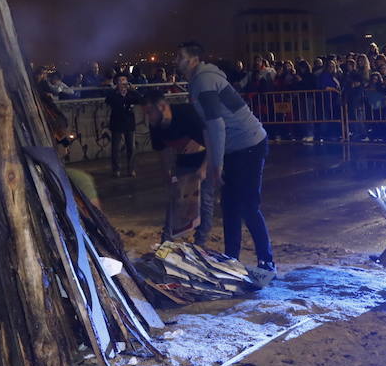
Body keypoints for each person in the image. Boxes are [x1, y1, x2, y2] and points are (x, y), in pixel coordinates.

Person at [175, 40, 275, 282]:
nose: (175, 61)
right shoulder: (198, 81)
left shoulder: (203, 81)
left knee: (248, 205)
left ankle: (267, 261)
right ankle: (232, 258)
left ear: (193, 60)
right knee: (230, 205)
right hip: (236, 148)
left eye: (180, 57)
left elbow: (217, 125)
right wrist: (212, 161)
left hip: (249, 145)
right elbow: (210, 129)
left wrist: (216, 165)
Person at [141, 87, 213, 246]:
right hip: (184, 161)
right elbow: (163, 151)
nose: (148, 117)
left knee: (204, 200)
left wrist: (203, 168)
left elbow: (212, 141)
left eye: (149, 112)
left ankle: (200, 242)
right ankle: (167, 241)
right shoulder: (156, 126)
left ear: (161, 107)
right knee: (176, 199)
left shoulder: (187, 114)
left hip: (205, 158)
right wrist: (167, 173)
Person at [103, 73, 142, 177]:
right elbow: (109, 101)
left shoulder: (131, 93)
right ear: (117, 82)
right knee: (115, 148)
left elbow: (140, 99)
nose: (122, 83)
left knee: (131, 148)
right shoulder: (113, 93)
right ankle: (116, 170)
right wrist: (119, 93)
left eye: (124, 80)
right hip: (117, 122)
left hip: (129, 122)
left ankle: (131, 169)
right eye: (120, 80)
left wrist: (133, 90)